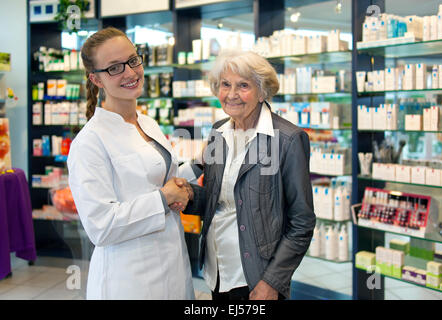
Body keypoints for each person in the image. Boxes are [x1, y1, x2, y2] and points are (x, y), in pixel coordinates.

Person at [67, 27, 195, 300]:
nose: (129, 72)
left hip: (172, 263)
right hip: (128, 278)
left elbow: (160, 181)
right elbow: (101, 226)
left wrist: (198, 165)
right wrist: (162, 199)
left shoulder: (147, 123)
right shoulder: (89, 142)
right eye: (114, 68)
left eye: (133, 60)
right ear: (95, 79)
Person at [181, 49, 316, 300]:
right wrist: (188, 195)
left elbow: (302, 222)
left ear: (262, 91)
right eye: (225, 84)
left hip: (254, 277)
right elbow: (217, 201)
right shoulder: (218, 132)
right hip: (216, 268)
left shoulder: (287, 140)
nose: (231, 94)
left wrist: (272, 281)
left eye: (243, 85)